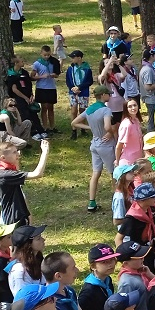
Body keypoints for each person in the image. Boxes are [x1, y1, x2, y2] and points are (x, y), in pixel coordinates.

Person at [69, 85, 114, 213]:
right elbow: (107, 127)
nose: (109, 96)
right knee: (113, 173)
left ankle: (91, 202)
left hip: (94, 144)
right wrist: (110, 132)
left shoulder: (89, 109)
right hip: (106, 145)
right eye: (108, 94)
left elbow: (74, 123)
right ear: (103, 95)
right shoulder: (106, 110)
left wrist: (90, 128)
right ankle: (118, 199)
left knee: (95, 173)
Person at [0, 141, 51, 227]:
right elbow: (37, 174)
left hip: (17, 215)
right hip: (13, 220)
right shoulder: (5, 175)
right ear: (3, 158)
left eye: (17, 151)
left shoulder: (2, 170)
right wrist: (45, 152)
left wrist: (16, 159)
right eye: (14, 152)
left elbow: (16, 170)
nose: (18, 154)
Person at [7, 227, 45, 299]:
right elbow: (23, 299)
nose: (43, 239)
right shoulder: (19, 270)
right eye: (38, 238)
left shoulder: (39, 260)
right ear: (28, 244)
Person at [64, 51, 93, 141]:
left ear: (79, 58)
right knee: (73, 110)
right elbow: (68, 80)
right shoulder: (70, 69)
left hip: (83, 92)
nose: (72, 59)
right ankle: (74, 130)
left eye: (74, 57)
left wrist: (80, 87)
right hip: (73, 92)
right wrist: (72, 87)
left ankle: (83, 128)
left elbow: (89, 81)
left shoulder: (87, 69)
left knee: (82, 110)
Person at [30, 47, 58, 136]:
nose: (46, 57)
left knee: (51, 107)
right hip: (41, 88)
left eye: (48, 55)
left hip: (51, 87)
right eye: (45, 55)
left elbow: (57, 73)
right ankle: (45, 127)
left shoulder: (53, 62)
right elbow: (32, 77)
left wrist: (54, 75)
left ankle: (52, 126)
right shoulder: (37, 64)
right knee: (44, 107)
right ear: (41, 54)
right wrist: (42, 76)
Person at [114, 98, 144, 167]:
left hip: (138, 158)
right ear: (126, 109)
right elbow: (119, 145)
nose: (133, 108)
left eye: (135, 105)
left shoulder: (136, 120)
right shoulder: (127, 125)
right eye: (130, 106)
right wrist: (117, 161)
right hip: (128, 160)